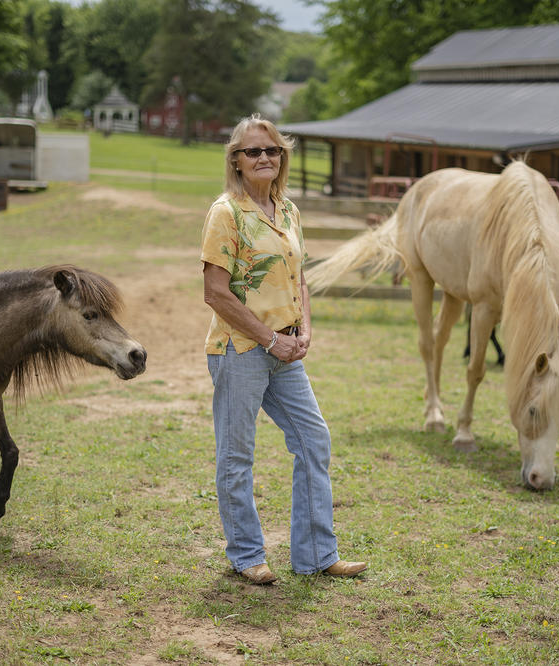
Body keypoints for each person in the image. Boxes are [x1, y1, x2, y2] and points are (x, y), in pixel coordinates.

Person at [200, 114, 368, 585]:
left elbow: (298, 278)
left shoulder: (288, 210)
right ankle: (246, 555)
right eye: (253, 151)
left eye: (272, 150)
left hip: (284, 352)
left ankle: (316, 554)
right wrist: (270, 338)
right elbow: (215, 292)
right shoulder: (226, 213)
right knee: (237, 455)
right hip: (240, 350)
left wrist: (304, 330)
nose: (264, 158)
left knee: (313, 440)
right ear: (236, 159)